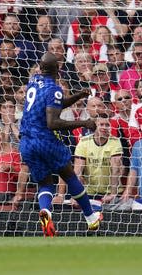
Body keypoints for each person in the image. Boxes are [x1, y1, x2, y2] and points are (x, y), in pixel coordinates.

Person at [18, 53, 101, 237]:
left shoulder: (34, 80)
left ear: (41, 68)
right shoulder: (54, 89)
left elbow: (55, 104)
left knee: (45, 183)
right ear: (58, 69)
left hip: (26, 142)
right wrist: (83, 123)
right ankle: (91, 218)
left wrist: (77, 96)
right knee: (69, 176)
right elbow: (53, 122)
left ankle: (46, 212)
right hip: (44, 140)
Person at [73, 112, 123, 204]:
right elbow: (78, 171)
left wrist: (113, 194)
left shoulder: (115, 141)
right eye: (101, 124)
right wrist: (76, 195)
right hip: (89, 192)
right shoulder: (84, 141)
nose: (104, 127)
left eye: (107, 125)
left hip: (112, 192)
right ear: (95, 125)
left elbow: (115, 169)